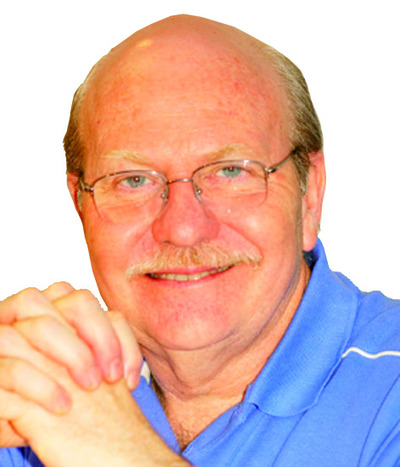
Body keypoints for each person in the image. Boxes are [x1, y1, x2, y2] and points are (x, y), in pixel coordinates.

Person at [0, 14, 399, 467]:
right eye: (133, 180)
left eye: (230, 171)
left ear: (309, 195)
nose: (183, 227)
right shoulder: (35, 390)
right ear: (81, 205)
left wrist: (118, 453)